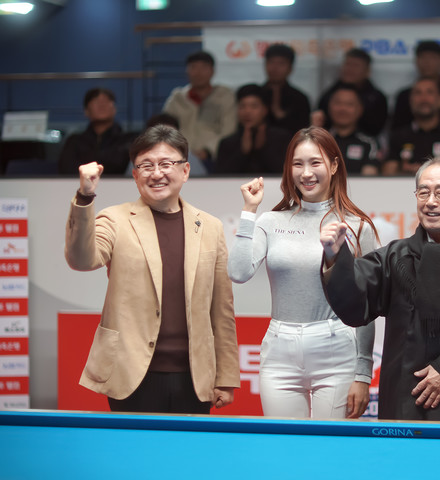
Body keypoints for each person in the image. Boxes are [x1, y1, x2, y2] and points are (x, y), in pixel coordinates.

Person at [320, 156, 440, 421]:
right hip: (405, 396)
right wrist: (335, 258)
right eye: (423, 192)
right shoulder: (396, 256)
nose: (430, 201)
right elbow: (355, 300)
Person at [64, 125, 240, 413]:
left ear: (185, 171)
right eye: (146, 166)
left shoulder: (210, 227)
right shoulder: (115, 219)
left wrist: (226, 376)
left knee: (188, 445)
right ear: (135, 175)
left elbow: (222, 309)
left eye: (166, 164)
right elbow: (81, 260)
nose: (156, 173)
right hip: (130, 373)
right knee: (132, 444)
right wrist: (84, 197)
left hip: (195, 376)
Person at [227, 126, 378, 419]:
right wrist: (249, 211)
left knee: (329, 444)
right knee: (284, 443)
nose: (306, 173)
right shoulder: (270, 221)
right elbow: (238, 272)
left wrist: (362, 374)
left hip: (336, 349)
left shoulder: (357, 226)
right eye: (297, 164)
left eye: (315, 162)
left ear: (334, 166)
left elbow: (367, 306)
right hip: (279, 351)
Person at [162, 51, 236, 169]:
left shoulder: (225, 96)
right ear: (186, 71)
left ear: (212, 71)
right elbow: (165, 128)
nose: (198, 72)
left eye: (204, 68)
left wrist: (208, 151)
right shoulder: (177, 98)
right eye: (193, 67)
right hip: (179, 158)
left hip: (213, 158)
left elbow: (229, 131)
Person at [385, 77, 440, 175]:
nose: (424, 98)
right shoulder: (398, 136)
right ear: (410, 101)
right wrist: (405, 171)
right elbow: (388, 171)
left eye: (430, 92)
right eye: (418, 93)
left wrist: (428, 172)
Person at [215, 84, 292, 174]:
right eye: (242, 106)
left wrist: (262, 148)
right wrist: (243, 152)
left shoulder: (281, 138)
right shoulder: (227, 143)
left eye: (254, 106)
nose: (247, 111)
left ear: (265, 110)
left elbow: (286, 173)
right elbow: (220, 176)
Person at [391, 40, 440, 131]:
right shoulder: (404, 96)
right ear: (416, 61)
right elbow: (397, 128)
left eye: (432, 58)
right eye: (422, 57)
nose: (427, 62)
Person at [58, 88, 136, 175]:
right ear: (86, 111)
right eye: (96, 101)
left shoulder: (128, 140)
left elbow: (122, 165)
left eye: (107, 101)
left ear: (114, 109)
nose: (102, 104)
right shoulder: (74, 141)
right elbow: (66, 169)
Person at [316, 48, 388, 137]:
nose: (350, 69)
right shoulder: (329, 95)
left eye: (356, 66)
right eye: (347, 64)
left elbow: (377, 128)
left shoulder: (376, 99)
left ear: (367, 71)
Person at [312, 85, 380, 175]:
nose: (343, 109)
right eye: (338, 103)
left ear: (360, 109)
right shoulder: (319, 140)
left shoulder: (369, 143)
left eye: (349, 104)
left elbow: (369, 178)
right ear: (329, 107)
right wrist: (313, 131)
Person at [262, 43, 311, 134]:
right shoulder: (256, 95)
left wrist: (281, 116)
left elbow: (303, 133)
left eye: (281, 63)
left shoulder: (300, 99)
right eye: (271, 62)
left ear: (290, 68)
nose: (275, 68)